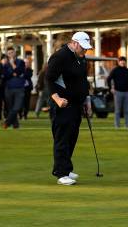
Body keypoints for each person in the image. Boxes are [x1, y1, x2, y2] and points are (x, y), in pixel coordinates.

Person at [45, 32, 93, 186]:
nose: (85, 51)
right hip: (62, 104)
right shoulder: (60, 56)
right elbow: (49, 79)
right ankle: (61, 173)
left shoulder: (80, 58)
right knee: (62, 138)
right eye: (83, 48)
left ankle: (65, 168)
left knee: (72, 137)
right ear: (75, 43)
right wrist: (57, 99)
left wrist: (86, 100)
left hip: (76, 104)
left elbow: (82, 81)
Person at [2, 47, 26, 129]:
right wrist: (14, 73)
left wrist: (13, 65)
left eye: (12, 52)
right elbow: (5, 76)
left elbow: (20, 72)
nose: (11, 54)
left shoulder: (21, 62)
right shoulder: (5, 65)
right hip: (9, 88)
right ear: (7, 55)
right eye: (9, 53)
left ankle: (7, 122)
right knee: (11, 108)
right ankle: (16, 125)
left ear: (15, 53)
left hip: (19, 88)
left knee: (17, 107)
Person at [107, 56, 128, 128]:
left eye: (124, 61)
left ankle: (127, 125)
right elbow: (108, 79)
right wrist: (111, 88)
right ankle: (117, 125)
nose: (123, 62)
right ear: (119, 62)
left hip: (127, 92)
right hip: (118, 92)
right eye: (121, 61)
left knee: (127, 110)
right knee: (118, 110)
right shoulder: (115, 70)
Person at [0, 54, 8, 121]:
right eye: (4, 59)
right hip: (0, 87)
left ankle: (6, 115)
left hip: (6, 87)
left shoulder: (7, 67)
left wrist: (3, 75)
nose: (5, 60)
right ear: (1, 60)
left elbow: (8, 75)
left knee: (6, 102)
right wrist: (2, 76)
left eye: (6, 59)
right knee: (0, 102)